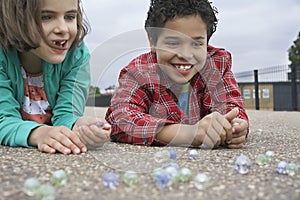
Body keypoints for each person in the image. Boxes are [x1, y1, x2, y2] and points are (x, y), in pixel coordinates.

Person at [105, 0, 249, 149]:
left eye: (196, 44)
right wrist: (189, 134)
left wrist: (233, 126)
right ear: (153, 42)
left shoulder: (216, 65)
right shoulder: (139, 73)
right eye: (173, 43)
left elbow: (231, 106)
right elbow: (120, 119)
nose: (185, 55)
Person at [0, 0, 111, 154]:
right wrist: (39, 134)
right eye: (46, 17)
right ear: (14, 19)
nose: (63, 29)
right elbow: (3, 118)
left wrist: (79, 126)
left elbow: (67, 112)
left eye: (70, 17)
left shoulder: (76, 55)